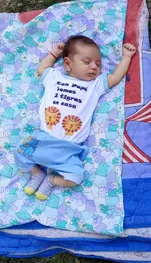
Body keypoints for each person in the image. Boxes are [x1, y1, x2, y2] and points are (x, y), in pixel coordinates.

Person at [14, 35, 136, 200]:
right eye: (87, 62)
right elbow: (41, 69)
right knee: (19, 153)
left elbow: (115, 77)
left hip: (69, 148)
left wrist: (127, 57)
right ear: (67, 64)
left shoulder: (95, 85)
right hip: (43, 140)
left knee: (76, 178)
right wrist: (53, 54)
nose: (94, 67)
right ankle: (36, 175)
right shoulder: (54, 77)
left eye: (98, 64)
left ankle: (51, 180)